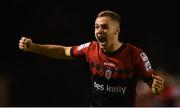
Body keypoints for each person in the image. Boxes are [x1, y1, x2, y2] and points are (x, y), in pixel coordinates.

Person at [18, 10, 165, 107]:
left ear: (116, 30)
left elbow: (154, 83)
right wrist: (34, 47)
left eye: (104, 27)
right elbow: (63, 51)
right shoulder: (90, 48)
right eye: (96, 27)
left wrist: (156, 87)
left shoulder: (135, 54)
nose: (99, 31)